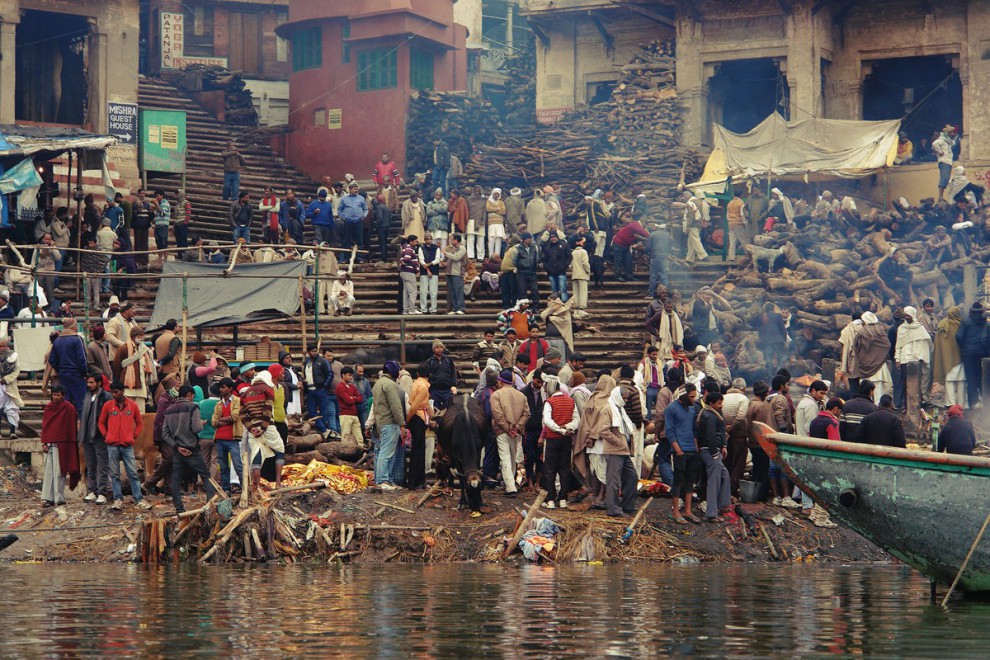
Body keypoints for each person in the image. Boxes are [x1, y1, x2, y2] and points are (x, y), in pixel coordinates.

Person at [163, 385, 218, 513]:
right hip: (191, 449)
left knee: (175, 479)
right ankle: (210, 505)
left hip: (177, 450)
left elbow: (165, 434)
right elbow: (196, 428)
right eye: (193, 396)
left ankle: (179, 508)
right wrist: (202, 423)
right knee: (206, 475)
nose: (193, 398)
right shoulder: (193, 407)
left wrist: (177, 447)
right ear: (189, 395)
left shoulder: (169, 410)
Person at [99, 382, 151, 510]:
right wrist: (106, 435)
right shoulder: (108, 406)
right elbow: (101, 422)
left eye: (116, 392)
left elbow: (139, 423)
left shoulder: (132, 406)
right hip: (112, 445)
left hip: (127, 445)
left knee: (132, 473)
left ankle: (138, 499)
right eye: (112, 392)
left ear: (122, 391)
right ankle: (118, 499)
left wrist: (133, 435)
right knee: (115, 474)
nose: (114, 394)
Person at [240, 371, 285, 492]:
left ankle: (258, 487)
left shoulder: (245, 393)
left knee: (256, 456)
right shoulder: (268, 390)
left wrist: (251, 428)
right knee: (280, 451)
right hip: (268, 427)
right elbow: (268, 410)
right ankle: (278, 483)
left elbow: (242, 414)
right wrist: (263, 428)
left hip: (253, 428)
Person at [539, 375, 579, 509]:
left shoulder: (549, 402)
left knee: (550, 469)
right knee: (564, 468)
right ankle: (563, 498)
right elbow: (576, 420)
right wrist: (567, 428)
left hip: (552, 439)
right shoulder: (570, 401)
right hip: (566, 439)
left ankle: (550, 499)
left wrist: (559, 429)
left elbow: (547, 421)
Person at [491, 369, 530, 497]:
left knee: (505, 458)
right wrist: (517, 427)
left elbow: (498, 415)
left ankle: (510, 487)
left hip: (502, 431)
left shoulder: (496, 395)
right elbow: (526, 414)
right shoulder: (521, 395)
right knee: (513, 458)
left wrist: (508, 429)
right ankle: (511, 484)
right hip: (517, 432)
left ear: (501, 381)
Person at [666, 383, 702, 524]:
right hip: (680, 450)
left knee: (690, 481)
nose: (694, 399)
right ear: (684, 395)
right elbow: (669, 431)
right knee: (678, 480)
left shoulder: (691, 409)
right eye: (691, 396)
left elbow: (694, 431)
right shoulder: (671, 408)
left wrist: (696, 448)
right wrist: (678, 449)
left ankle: (687, 510)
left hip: (692, 449)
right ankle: (675, 511)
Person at [39, 387, 79, 507]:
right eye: (54, 395)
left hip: (62, 443)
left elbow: (71, 427)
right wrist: (44, 442)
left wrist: (70, 443)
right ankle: (47, 498)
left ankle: (59, 497)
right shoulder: (49, 408)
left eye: (58, 395)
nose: (56, 398)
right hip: (50, 443)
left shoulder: (69, 408)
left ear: (63, 395)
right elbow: (45, 425)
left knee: (59, 472)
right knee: (48, 472)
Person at [697, 391, 730, 523]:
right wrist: (715, 453)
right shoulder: (709, 416)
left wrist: (724, 446)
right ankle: (711, 513)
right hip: (710, 451)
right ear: (711, 404)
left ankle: (722, 504)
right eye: (719, 403)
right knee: (714, 480)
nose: (721, 405)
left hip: (714, 450)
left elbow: (721, 432)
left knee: (724, 475)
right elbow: (710, 436)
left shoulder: (714, 414)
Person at [79, 375, 112, 504]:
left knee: (102, 465)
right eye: (87, 382)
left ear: (99, 383)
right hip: (87, 435)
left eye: (91, 382)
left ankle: (102, 492)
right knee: (90, 465)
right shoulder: (87, 396)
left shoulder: (106, 397)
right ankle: (92, 491)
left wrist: (104, 433)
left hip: (100, 437)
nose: (89, 385)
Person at [373, 361, 405, 491]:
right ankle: (382, 480)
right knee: (386, 453)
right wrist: (402, 424)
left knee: (383, 451)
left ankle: (387, 479)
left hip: (380, 422)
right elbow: (395, 406)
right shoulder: (391, 385)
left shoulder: (377, 384)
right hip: (390, 422)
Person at [210, 378, 243, 496]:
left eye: (223, 387)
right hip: (220, 438)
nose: (221, 389)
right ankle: (226, 489)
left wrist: (220, 421)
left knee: (238, 464)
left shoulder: (237, 401)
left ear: (230, 388)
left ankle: (244, 487)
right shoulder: (218, 404)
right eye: (220, 387)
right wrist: (225, 420)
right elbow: (213, 421)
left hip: (233, 438)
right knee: (223, 466)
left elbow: (235, 416)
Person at [48, 318, 88, 413]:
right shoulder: (77, 339)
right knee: (81, 403)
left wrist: (60, 369)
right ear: (72, 326)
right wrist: (84, 373)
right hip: (76, 374)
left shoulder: (58, 340)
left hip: (63, 374)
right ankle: (81, 426)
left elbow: (52, 359)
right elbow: (82, 359)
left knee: (66, 402)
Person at [112, 325, 155, 412]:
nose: (142, 338)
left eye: (142, 336)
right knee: (128, 411)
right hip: (128, 387)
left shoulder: (144, 350)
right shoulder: (123, 348)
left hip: (141, 385)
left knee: (140, 412)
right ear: (133, 336)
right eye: (139, 336)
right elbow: (117, 366)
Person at [746, 380, 776, 502]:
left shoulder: (751, 404)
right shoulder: (761, 406)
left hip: (752, 442)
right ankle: (761, 497)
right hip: (760, 443)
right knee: (763, 470)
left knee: (757, 470)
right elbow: (764, 426)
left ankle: (755, 495)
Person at [956, 301, 988, 408]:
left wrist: (964, 347)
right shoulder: (986, 323)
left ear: (971, 311)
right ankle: (986, 403)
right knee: (982, 378)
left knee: (971, 378)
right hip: (983, 354)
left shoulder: (966, 321)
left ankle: (974, 403)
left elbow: (959, 336)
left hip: (968, 354)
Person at [934, 307, 966, 407]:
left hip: (946, 357)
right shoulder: (962, 325)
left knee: (949, 381)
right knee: (961, 381)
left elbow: (937, 343)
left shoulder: (942, 326)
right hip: (960, 357)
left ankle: (950, 402)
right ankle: (961, 403)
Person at [303, 346, 334, 438]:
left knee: (323, 411)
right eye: (312, 351)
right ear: (309, 352)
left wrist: (324, 386)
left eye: (315, 351)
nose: (314, 353)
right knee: (312, 411)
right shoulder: (307, 362)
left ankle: (324, 430)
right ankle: (324, 429)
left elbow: (330, 374)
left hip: (320, 389)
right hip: (309, 390)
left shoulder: (322, 361)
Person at [422, 338, 457, 411]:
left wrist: (453, 385)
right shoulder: (430, 361)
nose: (439, 349)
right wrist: (428, 390)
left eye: (441, 347)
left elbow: (453, 373)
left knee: (448, 410)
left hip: (447, 389)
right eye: (437, 347)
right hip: (435, 390)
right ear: (433, 349)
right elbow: (426, 376)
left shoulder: (448, 360)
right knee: (435, 410)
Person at [612, 215, 649, 281]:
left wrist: (646, 239)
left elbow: (637, 236)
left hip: (626, 246)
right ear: (643, 222)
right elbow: (644, 233)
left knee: (628, 261)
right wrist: (651, 237)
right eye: (645, 225)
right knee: (618, 261)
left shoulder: (636, 225)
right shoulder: (636, 225)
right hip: (618, 244)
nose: (645, 227)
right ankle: (617, 276)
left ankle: (629, 276)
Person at [336, 367, 365, 447]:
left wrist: (352, 398)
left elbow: (360, 398)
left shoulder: (352, 386)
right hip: (345, 415)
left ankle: (362, 454)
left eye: (351, 375)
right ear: (343, 375)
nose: (351, 377)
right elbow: (348, 401)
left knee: (359, 438)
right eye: (349, 375)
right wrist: (354, 398)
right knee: (345, 437)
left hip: (354, 414)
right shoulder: (340, 387)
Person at [541, 232, 571, 303]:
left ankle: (564, 304)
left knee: (562, 289)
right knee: (554, 291)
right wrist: (547, 267)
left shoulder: (563, 245)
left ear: (557, 237)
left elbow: (569, 257)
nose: (553, 239)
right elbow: (544, 259)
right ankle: (555, 304)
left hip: (561, 271)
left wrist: (564, 266)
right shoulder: (547, 247)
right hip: (551, 272)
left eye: (554, 237)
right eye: (551, 237)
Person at [514, 233, 540, 312]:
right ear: (524, 240)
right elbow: (514, 260)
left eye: (531, 238)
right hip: (522, 272)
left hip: (532, 271)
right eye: (528, 238)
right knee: (522, 291)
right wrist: (520, 265)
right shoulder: (518, 248)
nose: (530, 240)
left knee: (534, 290)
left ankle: (536, 307)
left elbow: (537, 257)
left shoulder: (534, 247)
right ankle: (524, 308)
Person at [339, 182, 368, 252]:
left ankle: (359, 258)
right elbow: (340, 210)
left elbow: (366, 209)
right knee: (347, 240)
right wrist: (343, 217)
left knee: (359, 240)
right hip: (348, 222)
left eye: (357, 189)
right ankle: (346, 258)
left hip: (359, 222)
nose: (356, 191)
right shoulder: (344, 199)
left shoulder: (361, 199)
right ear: (350, 190)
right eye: (355, 189)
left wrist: (363, 216)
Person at [418, 233, 442, 315]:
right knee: (423, 291)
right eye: (427, 239)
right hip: (424, 271)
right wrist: (425, 266)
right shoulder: (421, 248)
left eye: (430, 239)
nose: (429, 240)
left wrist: (429, 264)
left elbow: (438, 259)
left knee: (433, 291)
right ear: (425, 240)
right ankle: (423, 308)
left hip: (434, 271)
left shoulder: (436, 248)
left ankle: (433, 309)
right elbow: (421, 259)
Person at [933, 124, 958, 200]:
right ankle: (940, 196)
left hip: (948, 161)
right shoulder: (942, 139)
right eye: (950, 133)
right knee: (945, 178)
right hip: (944, 161)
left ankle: (941, 196)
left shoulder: (948, 141)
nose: (952, 134)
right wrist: (940, 152)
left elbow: (953, 143)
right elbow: (934, 144)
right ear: (947, 133)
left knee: (946, 179)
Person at [444, 233, 467, 314]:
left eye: (452, 239)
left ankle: (461, 308)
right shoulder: (452, 248)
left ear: (456, 240)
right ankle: (455, 308)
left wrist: (445, 253)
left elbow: (456, 257)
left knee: (458, 291)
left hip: (457, 273)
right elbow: (449, 259)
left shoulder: (462, 248)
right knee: (452, 292)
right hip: (449, 272)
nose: (450, 240)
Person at [399, 234, 421, 315]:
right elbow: (407, 258)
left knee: (406, 291)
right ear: (411, 241)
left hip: (404, 272)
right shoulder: (409, 248)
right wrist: (414, 264)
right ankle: (411, 309)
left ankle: (405, 309)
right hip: (409, 271)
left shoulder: (404, 247)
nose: (416, 243)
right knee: (413, 291)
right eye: (415, 241)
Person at [726, 190, 749, 260]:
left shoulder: (730, 203)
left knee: (732, 241)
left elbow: (727, 215)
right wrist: (745, 223)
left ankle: (731, 257)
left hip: (731, 224)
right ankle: (748, 255)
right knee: (743, 240)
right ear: (741, 195)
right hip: (739, 223)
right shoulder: (741, 203)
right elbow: (742, 214)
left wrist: (730, 221)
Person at [486, 188, 507, 256]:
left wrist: (493, 211)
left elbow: (503, 212)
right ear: (492, 194)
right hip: (491, 223)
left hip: (499, 223)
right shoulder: (488, 201)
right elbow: (488, 209)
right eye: (495, 193)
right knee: (491, 239)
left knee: (498, 239)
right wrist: (498, 208)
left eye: (498, 194)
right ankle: (490, 256)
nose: (496, 195)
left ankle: (496, 256)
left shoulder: (501, 202)